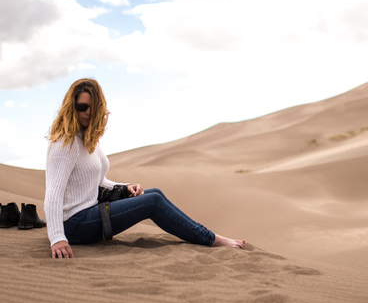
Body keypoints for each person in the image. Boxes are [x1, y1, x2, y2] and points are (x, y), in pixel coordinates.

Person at [45, 78, 244, 259]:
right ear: (71, 107)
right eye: (81, 107)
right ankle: (211, 239)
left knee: (154, 193)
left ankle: (206, 235)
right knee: (153, 202)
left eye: (92, 107)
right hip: (75, 225)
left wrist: (125, 187)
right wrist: (57, 238)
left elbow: (96, 180)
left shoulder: (86, 139)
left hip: (91, 213)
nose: (87, 112)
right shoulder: (65, 143)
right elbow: (53, 194)